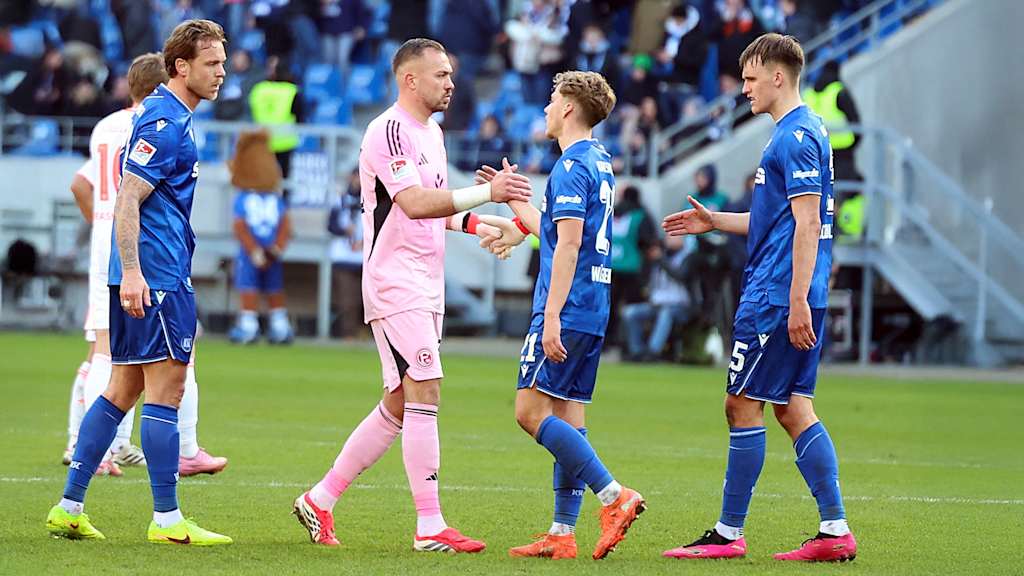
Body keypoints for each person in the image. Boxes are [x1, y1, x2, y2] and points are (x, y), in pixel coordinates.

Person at [291, 38, 533, 553]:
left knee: (400, 403)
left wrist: (479, 224)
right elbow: (415, 202)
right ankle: (429, 525)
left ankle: (319, 499)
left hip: (425, 281)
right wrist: (489, 193)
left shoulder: (433, 133)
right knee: (426, 388)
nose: (451, 84)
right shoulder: (388, 130)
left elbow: (432, 211)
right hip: (395, 281)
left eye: (451, 74)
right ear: (410, 79)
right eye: (441, 74)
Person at [661, 33, 855, 562]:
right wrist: (714, 221)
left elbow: (808, 224)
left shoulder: (795, 137)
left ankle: (728, 533)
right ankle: (834, 530)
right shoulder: (802, 131)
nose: (744, 89)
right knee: (793, 408)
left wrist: (796, 300)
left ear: (777, 76)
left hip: (777, 294)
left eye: (750, 79)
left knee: (741, 403)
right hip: (790, 288)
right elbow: (779, 220)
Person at [45, 19, 232, 545]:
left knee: (121, 389)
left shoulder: (165, 115)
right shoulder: (165, 122)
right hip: (156, 275)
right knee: (167, 391)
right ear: (181, 67)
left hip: (143, 271)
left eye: (222, 62)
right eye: (212, 63)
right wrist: (133, 272)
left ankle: (69, 506)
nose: (221, 72)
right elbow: (129, 197)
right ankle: (167, 520)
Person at [476, 70, 646, 561]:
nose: (547, 108)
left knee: (530, 413)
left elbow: (568, 246)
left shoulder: (571, 166)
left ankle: (614, 496)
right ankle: (561, 532)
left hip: (566, 306)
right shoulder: (598, 160)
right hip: (592, 306)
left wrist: (550, 316)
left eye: (553, 99)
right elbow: (554, 231)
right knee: (569, 417)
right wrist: (514, 202)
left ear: (569, 107)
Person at [227, 130, 295, 345]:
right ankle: (278, 325)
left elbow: (240, 225)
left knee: (254, 284)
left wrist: (258, 251)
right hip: (265, 250)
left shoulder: (244, 198)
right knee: (270, 286)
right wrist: (276, 249)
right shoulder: (275, 199)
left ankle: (251, 326)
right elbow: (285, 225)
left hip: (254, 253)